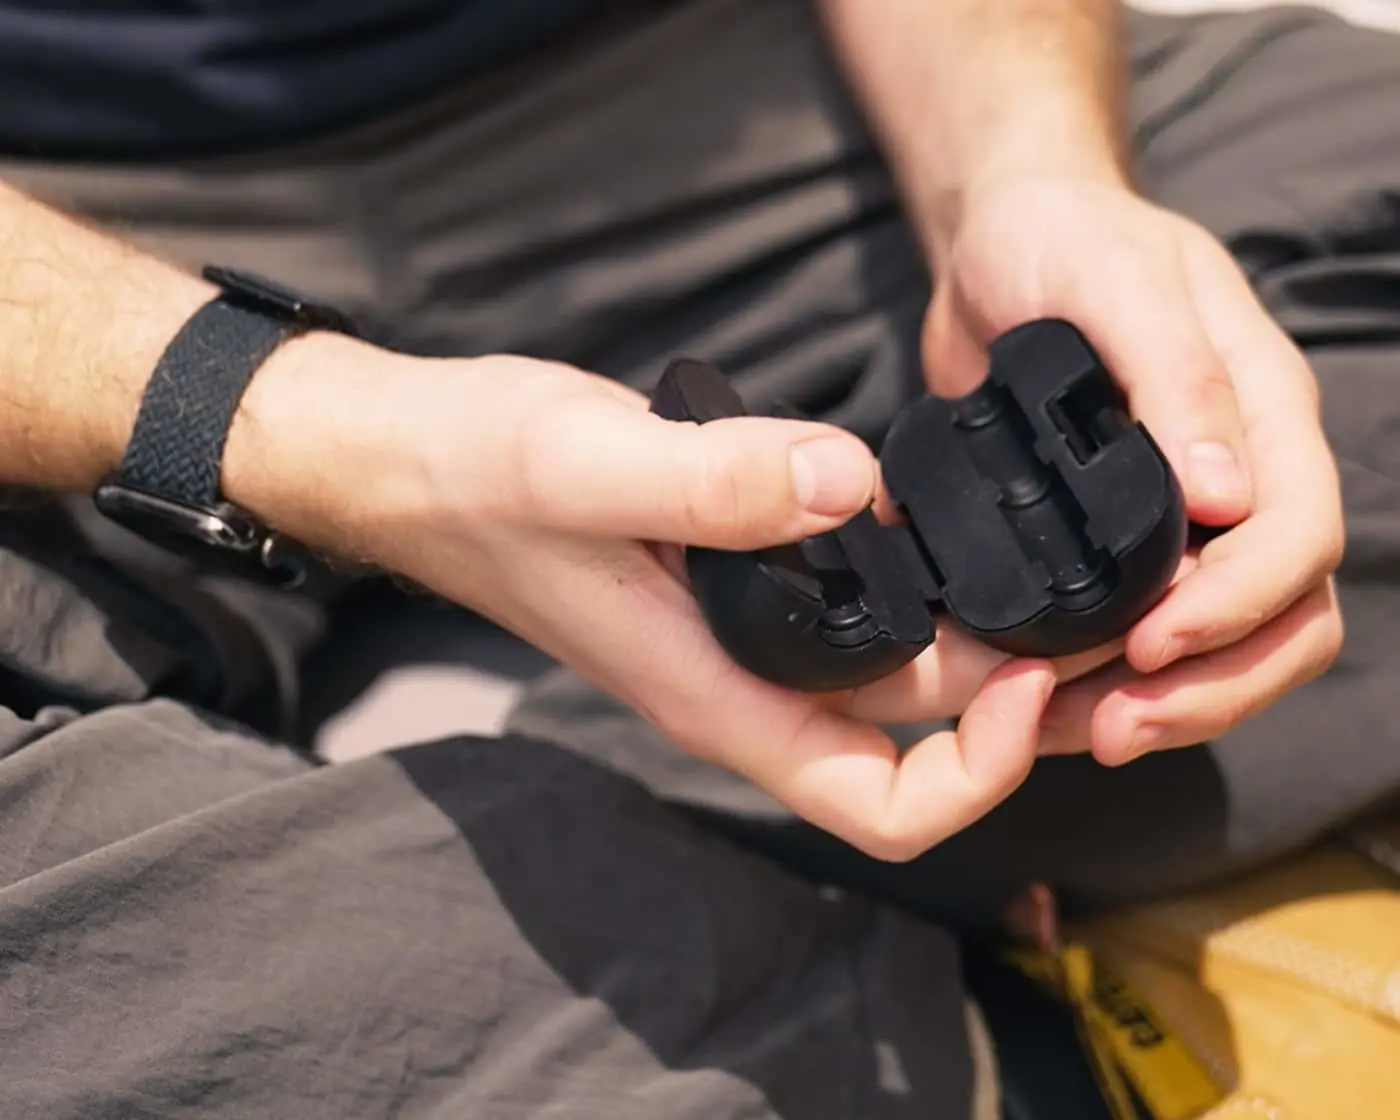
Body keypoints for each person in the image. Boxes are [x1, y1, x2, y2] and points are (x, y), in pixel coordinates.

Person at [0, 0, 1393, 1116]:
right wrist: (316, 432)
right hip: (73, 254)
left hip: (713, 92)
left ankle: (555, 929)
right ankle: (959, 1041)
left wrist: (1020, 175)